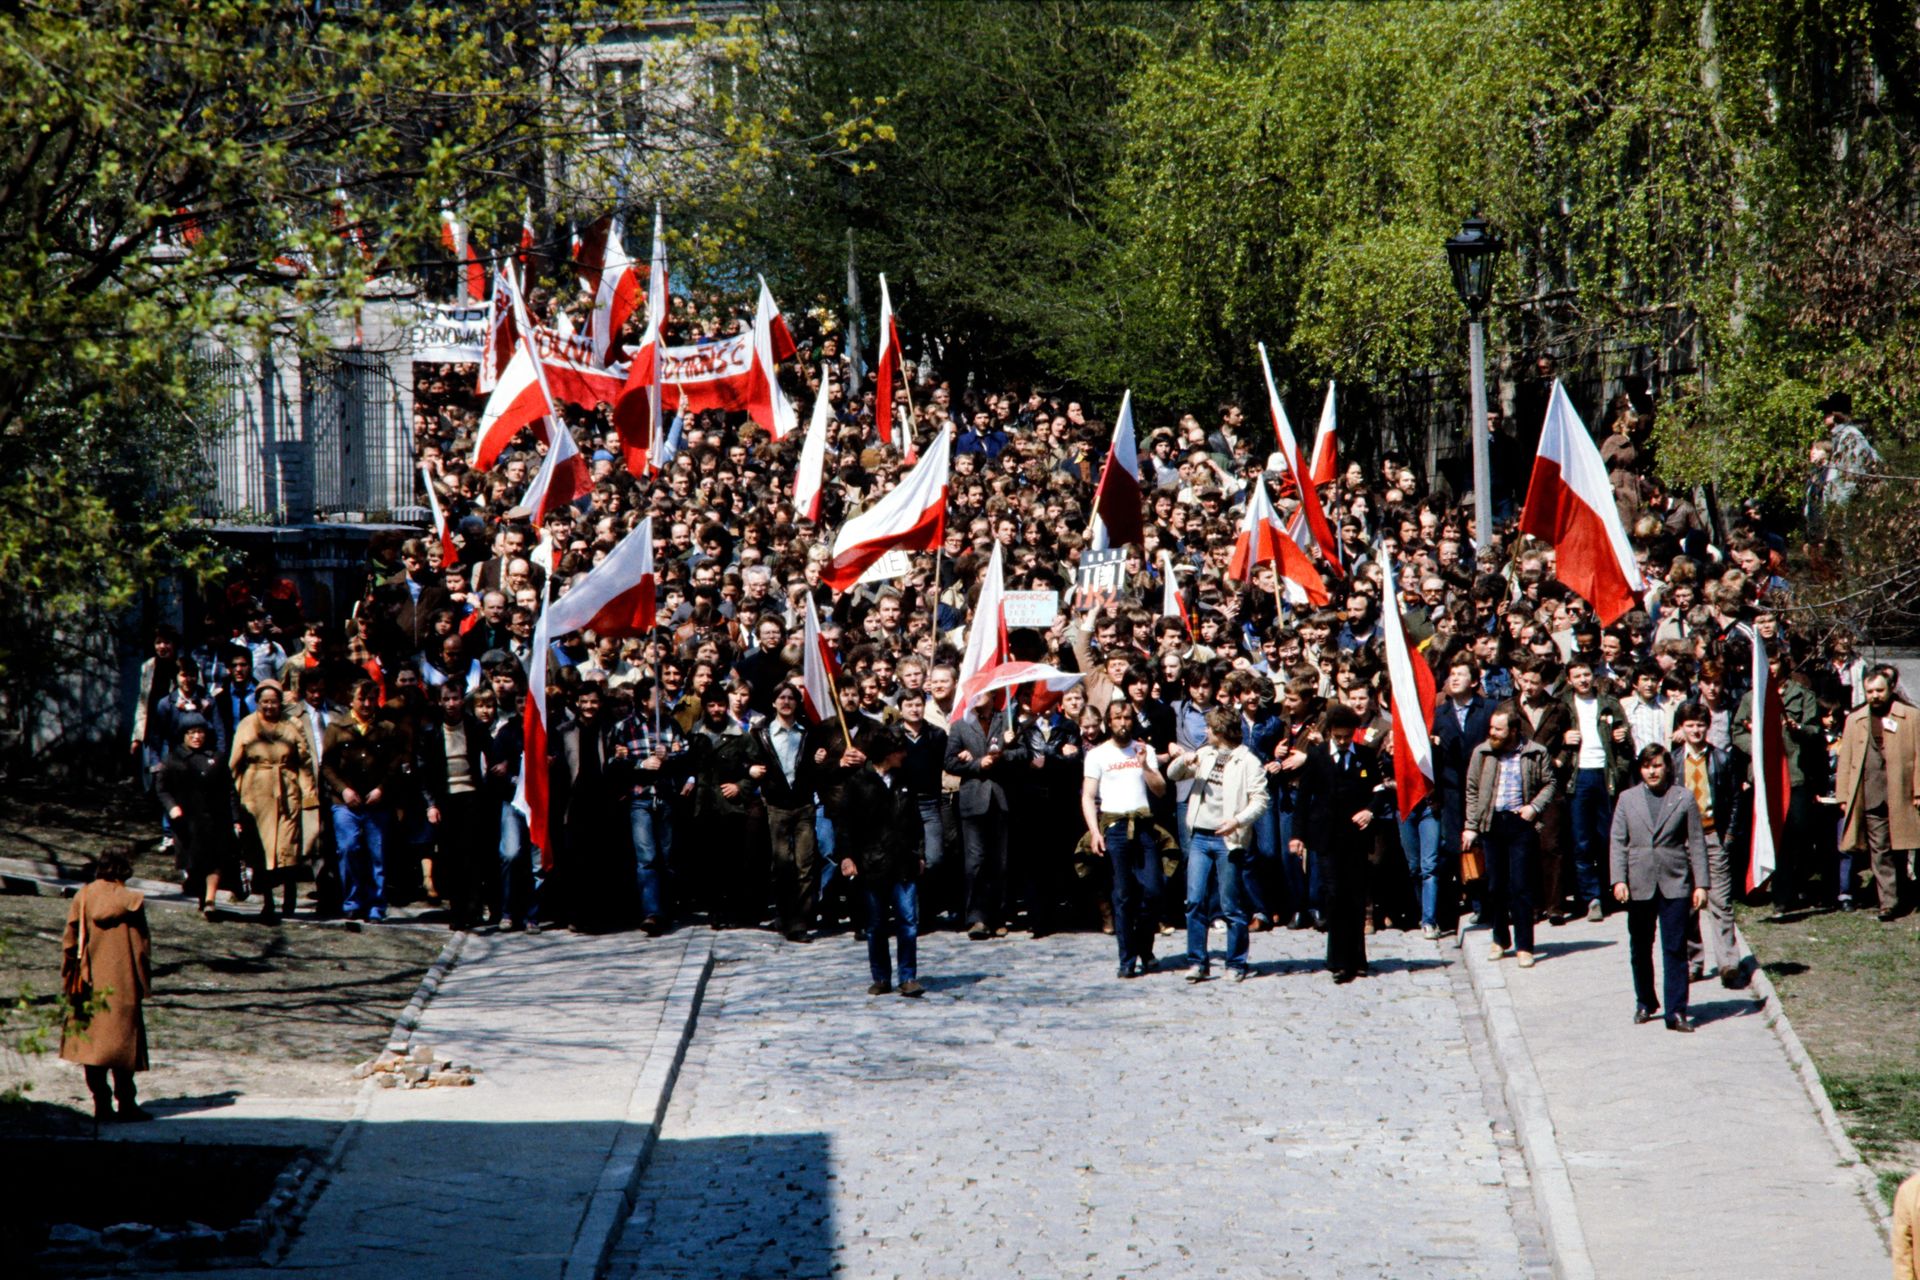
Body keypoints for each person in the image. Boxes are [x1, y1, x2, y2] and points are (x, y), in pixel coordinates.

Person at [1609, 744, 1709, 1032]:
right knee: (1640, 947)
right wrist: (1618, 879)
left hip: (1674, 883)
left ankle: (1676, 1011)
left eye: (1657, 766)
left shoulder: (1683, 798)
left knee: (1675, 948)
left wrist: (1701, 884)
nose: (1651, 771)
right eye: (1646, 766)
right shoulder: (1627, 799)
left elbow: (1696, 843)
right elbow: (1617, 841)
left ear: (1668, 767)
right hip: (1639, 883)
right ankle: (1645, 1001)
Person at [1166, 707, 1268, 982]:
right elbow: (1173, 775)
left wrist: (1237, 820)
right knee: (1195, 901)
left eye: (1209, 728)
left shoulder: (1247, 761)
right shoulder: (1206, 754)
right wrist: (1183, 762)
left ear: (1220, 731)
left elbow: (1260, 800)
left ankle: (1236, 962)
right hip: (1199, 836)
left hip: (1228, 840)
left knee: (1230, 905)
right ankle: (1197, 961)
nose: (1205, 732)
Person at [60, 850, 154, 1123]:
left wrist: (69, 976)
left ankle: (101, 1104)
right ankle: (127, 1103)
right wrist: (143, 983)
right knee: (123, 1046)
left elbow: (69, 942)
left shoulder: (84, 896)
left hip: (90, 982)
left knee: (94, 1047)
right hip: (123, 982)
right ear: (124, 872)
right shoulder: (132, 902)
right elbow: (141, 948)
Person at [1297, 705, 1386, 983]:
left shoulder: (1365, 756)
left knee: (1356, 896)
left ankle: (1358, 957)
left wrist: (1370, 810)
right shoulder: (1317, 757)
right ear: (1331, 734)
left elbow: (1379, 790)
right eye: (1339, 737)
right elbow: (1303, 798)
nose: (1344, 742)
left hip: (1356, 838)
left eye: (1348, 737)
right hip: (1326, 837)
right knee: (1334, 894)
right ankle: (1337, 958)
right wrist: (1297, 835)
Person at [1082, 695, 1168, 979]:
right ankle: (1127, 959)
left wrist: (1144, 764)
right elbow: (1088, 796)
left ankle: (1144, 946)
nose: (1122, 722)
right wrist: (1095, 832)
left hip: (1143, 826)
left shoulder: (1144, 750)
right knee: (1122, 895)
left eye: (1127, 717)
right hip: (1115, 828)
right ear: (1108, 722)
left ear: (1133, 721)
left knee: (1153, 891)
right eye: (1117, 718)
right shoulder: (1097, 755)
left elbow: (1160, 790)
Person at [837, 726, 926, 997]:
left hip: (903, 861)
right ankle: (881, 978)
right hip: (871, 862)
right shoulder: (858, 781)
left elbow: (915, 819)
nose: (904, 755)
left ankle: (908, 977)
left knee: (908, 922)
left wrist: (920, 853)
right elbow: (846, 823)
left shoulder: (905, 777)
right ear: (887, 753)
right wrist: (847, 856)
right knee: (876, 925)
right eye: (899, 751)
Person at [1463, 709, 1557, 968]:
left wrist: (1534, 807)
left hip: (1520, 823)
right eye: (1491, 728)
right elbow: (1472, 789)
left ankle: (1524, 945)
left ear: (1513, 731)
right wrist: (1471, 826)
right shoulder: (1482, 753)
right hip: (1491, 824)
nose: (1492, 733)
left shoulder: (1535, 752)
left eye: (1498, 729)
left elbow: (1550, 783)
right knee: (1495, 886)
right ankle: (1500, 938)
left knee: (1521, 886)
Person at [1834, 670, 1920, 922]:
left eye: (1879, 691)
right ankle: (1888, 903)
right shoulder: (1856, 720)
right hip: (1871, 794)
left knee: (1902, 846)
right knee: (1879, 850)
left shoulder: (1910, 716)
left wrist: (1918, 790)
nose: (1874, 696)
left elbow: (1919, 756)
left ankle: (1905, 893)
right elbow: (1846, 759)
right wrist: (1843, 795)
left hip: (1901, 793)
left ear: (1890, 689)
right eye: (1870, 692)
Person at [322, 678, 409, 923]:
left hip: (376, 802)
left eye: (372, 698)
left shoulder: (387, 729)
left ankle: (376, 906)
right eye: (362, 699)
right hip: (345, 801)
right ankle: (352, 901)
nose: (367, 704)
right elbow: (327, 766)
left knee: (377, 854)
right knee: (348, 848)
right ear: (352, 700)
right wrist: (344, 790)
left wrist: (382, 789)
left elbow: (394, 766)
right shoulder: (338, 727)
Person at [228, 681, 314, 920]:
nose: (269, 706)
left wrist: (308, 794)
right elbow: (234, 764)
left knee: (288, 847)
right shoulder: (247, 725)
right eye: (264, 702)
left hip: (287, 791)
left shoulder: (292, 725)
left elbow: (304, 762)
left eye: (273, 702)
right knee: (261, 852)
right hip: (256, 793)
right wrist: (233, 800)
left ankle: (290, 893)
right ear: (258, 703)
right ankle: (268, 901)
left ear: (280, 703)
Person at [747, 682, 825, 941]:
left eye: (791, 698)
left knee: (805, 864)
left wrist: (820, 759)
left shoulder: (807, 732)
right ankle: (786, 916)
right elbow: (747, 760)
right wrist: (751, 771)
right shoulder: (761, 733)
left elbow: (817, 761)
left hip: (803, 805)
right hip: (777, 806)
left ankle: (799, 919)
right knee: (782, 865)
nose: (786, 702)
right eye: (781, 697)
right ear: (773, 703)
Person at [946, 696, 1028, 939]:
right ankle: (976, 918)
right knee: (975, 861)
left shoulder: (1007, 722)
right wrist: (978, 765)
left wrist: (1006, 753)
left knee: (1000, 862)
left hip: (1001, 799)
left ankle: (999, 915)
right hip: (973, 801)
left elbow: (1024, 754)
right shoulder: (961, 725)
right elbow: (949, 762)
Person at [1673, 702, 1743, 986]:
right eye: (1690, 725)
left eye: (1700, 725)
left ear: (1708, 727)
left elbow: (1736, 799)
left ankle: (1728, 962)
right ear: (1681, 728)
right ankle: (1694, 961)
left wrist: (1727, 837)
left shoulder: (1721, 760)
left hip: (1713, 834)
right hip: (1682, 840)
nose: (1696, 730)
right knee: (1688, 902)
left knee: (1721, 901)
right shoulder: (1674, 760)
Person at [1562, 655, 1631, 923]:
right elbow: (1552, 739)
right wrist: (1563, 738)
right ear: (1569, 680)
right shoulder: (1564, 707)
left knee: (1606, 837)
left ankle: (1607, 891)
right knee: (1581, 840)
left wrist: (1621, 743)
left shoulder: (1609, 704)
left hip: (1605, 775)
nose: (1582, 680)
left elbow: (1627, 742)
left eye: (1586, 674)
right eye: (1577, 676)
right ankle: (1590, 897)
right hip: (1578, 775)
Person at [158, 712, 244, 919]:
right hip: (187, 822)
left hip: (215, 820)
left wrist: (235, 819)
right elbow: (162, 789)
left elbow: (230, 790)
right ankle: (200, 895)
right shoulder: (173, 760)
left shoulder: (216, 758)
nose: (196, 737)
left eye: (200, 732)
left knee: (215, 862)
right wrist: (172, 807)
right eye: (192, 733)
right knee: (195, 865)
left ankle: (210, 901)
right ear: (184, 735)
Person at [418, 681, 489, 931]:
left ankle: (474, 909)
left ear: (462, 700)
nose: (451, 704)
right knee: (450, 857)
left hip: (471, 796)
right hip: (446, 799)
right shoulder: (431, 731)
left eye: (455, 698)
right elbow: (424, 772)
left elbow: (489, 757)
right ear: (440, 701)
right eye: (446, 699)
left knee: (471, 855)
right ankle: (457, 912)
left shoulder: (475, 727)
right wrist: (431, 805)